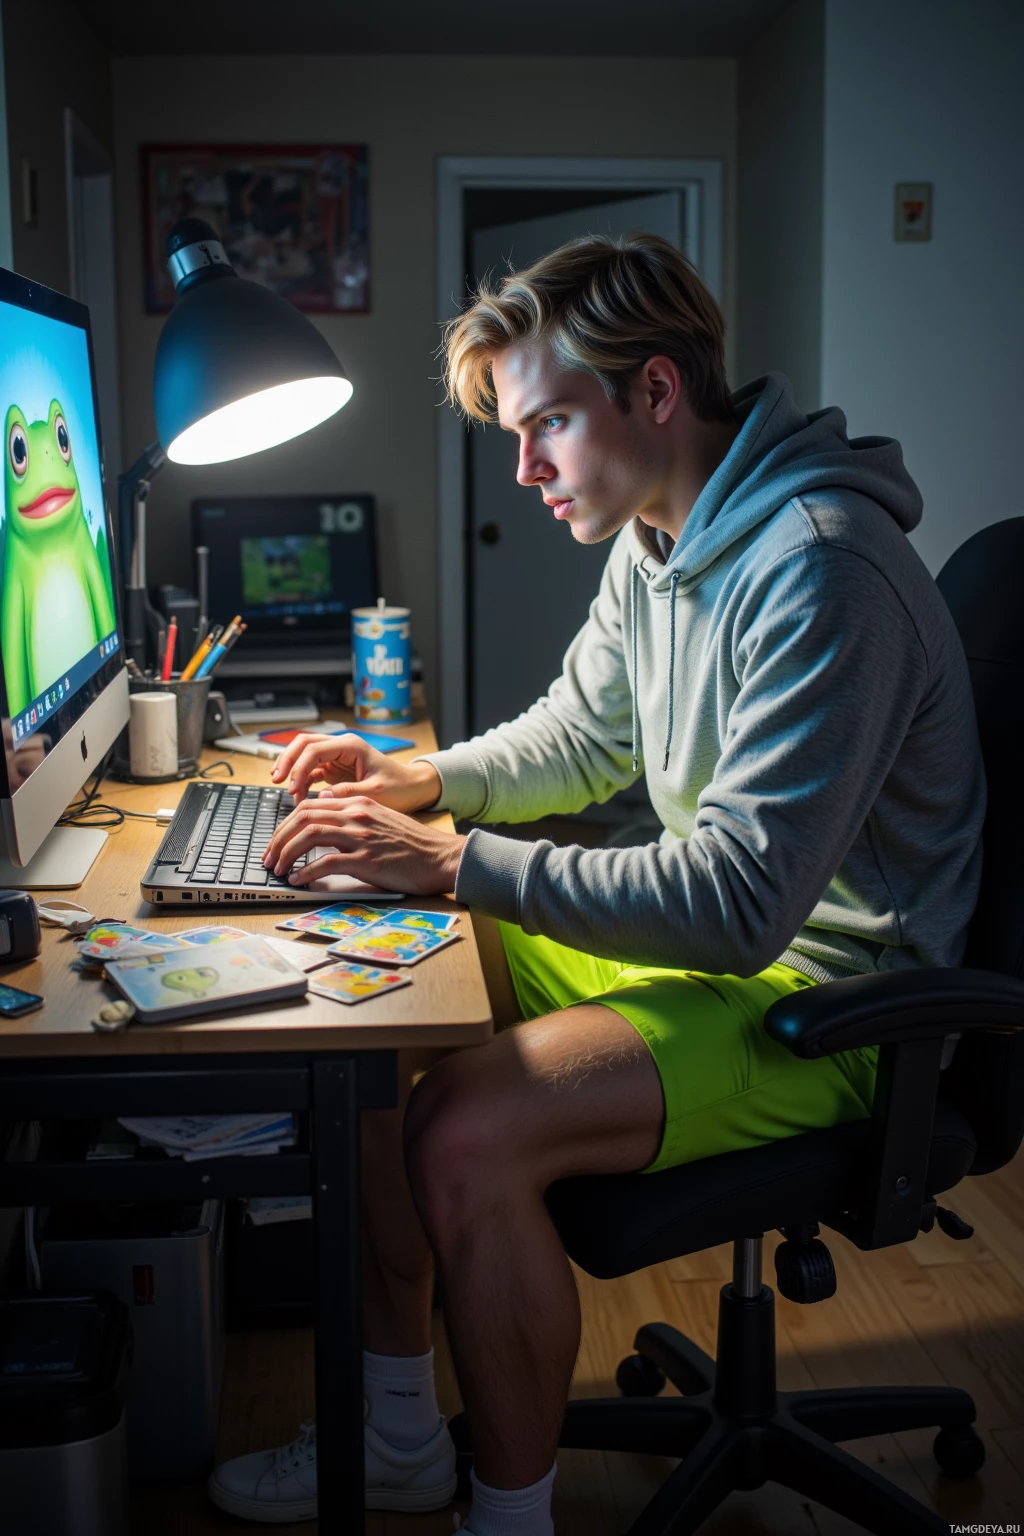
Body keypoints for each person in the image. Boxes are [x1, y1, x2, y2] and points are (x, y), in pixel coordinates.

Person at [207, 234, 985, 1531]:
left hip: (834, 1007)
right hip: (728, 960)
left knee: (462, 1122)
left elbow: (740, 903)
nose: (525, 470)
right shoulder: (658, 541)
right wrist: (418, 784)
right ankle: (397, 1437)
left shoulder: (820, 569)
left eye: (549, 424)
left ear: (658, 393)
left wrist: (455, 857)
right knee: (375, 1014)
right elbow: (577, 738)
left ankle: (508, 1519)